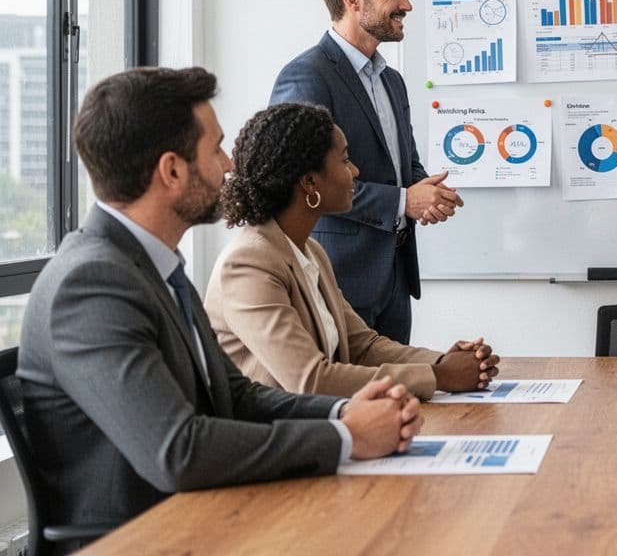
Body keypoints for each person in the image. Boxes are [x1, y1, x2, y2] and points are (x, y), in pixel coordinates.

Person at [17, 68, 423, 543]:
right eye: (215, 149)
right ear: (171, 170)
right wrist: (348, 438)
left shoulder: (154, 266)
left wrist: (342, 413)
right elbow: (180, 450)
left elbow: (238, 397)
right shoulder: (90, 285)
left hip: (203, 514)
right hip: (146, 537)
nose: (230, 164)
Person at [205, 102, 500, 400]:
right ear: (309, 182)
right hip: (276, 438)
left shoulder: (310, 251)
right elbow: (311, 380)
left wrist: (441, 361)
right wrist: (439, 376)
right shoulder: (248, 264)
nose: (355, 171)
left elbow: (363, 346)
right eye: (345, 161)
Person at [271, 0, 461, 344]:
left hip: (394, 280)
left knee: (401, 398)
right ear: (352, 0)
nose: (407, 4)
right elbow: (301, 181)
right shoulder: (307, 76)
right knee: (348, 403)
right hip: (337, 280)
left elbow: (404, 165)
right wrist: (403, 201)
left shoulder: (392, 81)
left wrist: (428, 191)